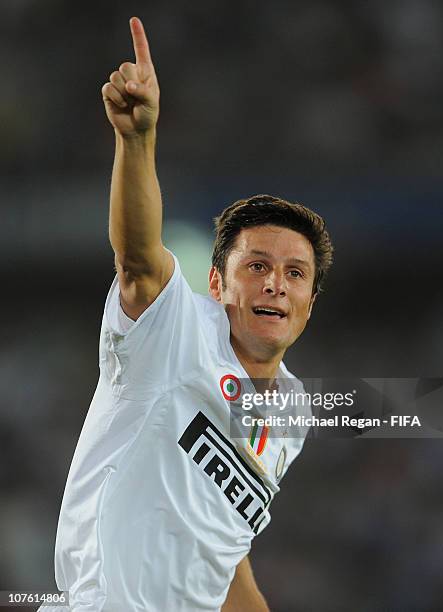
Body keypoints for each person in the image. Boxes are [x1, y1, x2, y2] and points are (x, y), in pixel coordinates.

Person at [40, 16, 333, 612]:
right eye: (256, 266)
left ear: (309, 305)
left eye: (295, 274)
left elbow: (224, 551)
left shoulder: (293, 411)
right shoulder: (177, 329)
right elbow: (139, 260)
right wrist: (137, 139)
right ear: (217, 282)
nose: (275, 284)